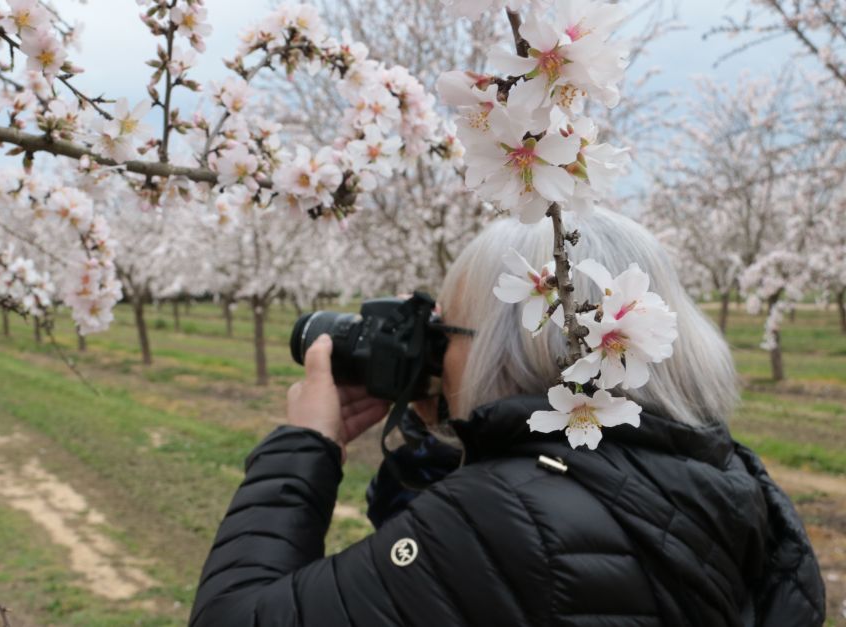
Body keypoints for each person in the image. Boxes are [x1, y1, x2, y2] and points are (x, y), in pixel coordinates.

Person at [188, 209, 826, 627]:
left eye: (447, 331)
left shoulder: (495, 521)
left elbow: (232, 617)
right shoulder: (732, 480)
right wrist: (448, 433)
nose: (436, 351)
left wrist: (303, 446)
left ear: (510, 345)